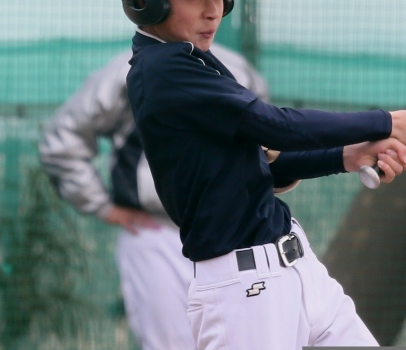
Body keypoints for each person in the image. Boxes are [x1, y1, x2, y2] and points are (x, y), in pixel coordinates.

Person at [119, 0, 406, 350]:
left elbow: (259, 166)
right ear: (144, 0)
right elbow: (274, 125)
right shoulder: (163, 69)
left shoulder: (190, 61)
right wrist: (387, 121)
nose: (214, 8)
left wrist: (348, 155)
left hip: (296, 272)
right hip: (246, 295)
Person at [38, 44, 268, 350]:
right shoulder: (127, 71)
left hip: (232, 235)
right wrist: (101, 206)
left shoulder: (235, 68)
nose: (209, 17)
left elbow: (266, 146)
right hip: (156, 234)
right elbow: (62, 138)